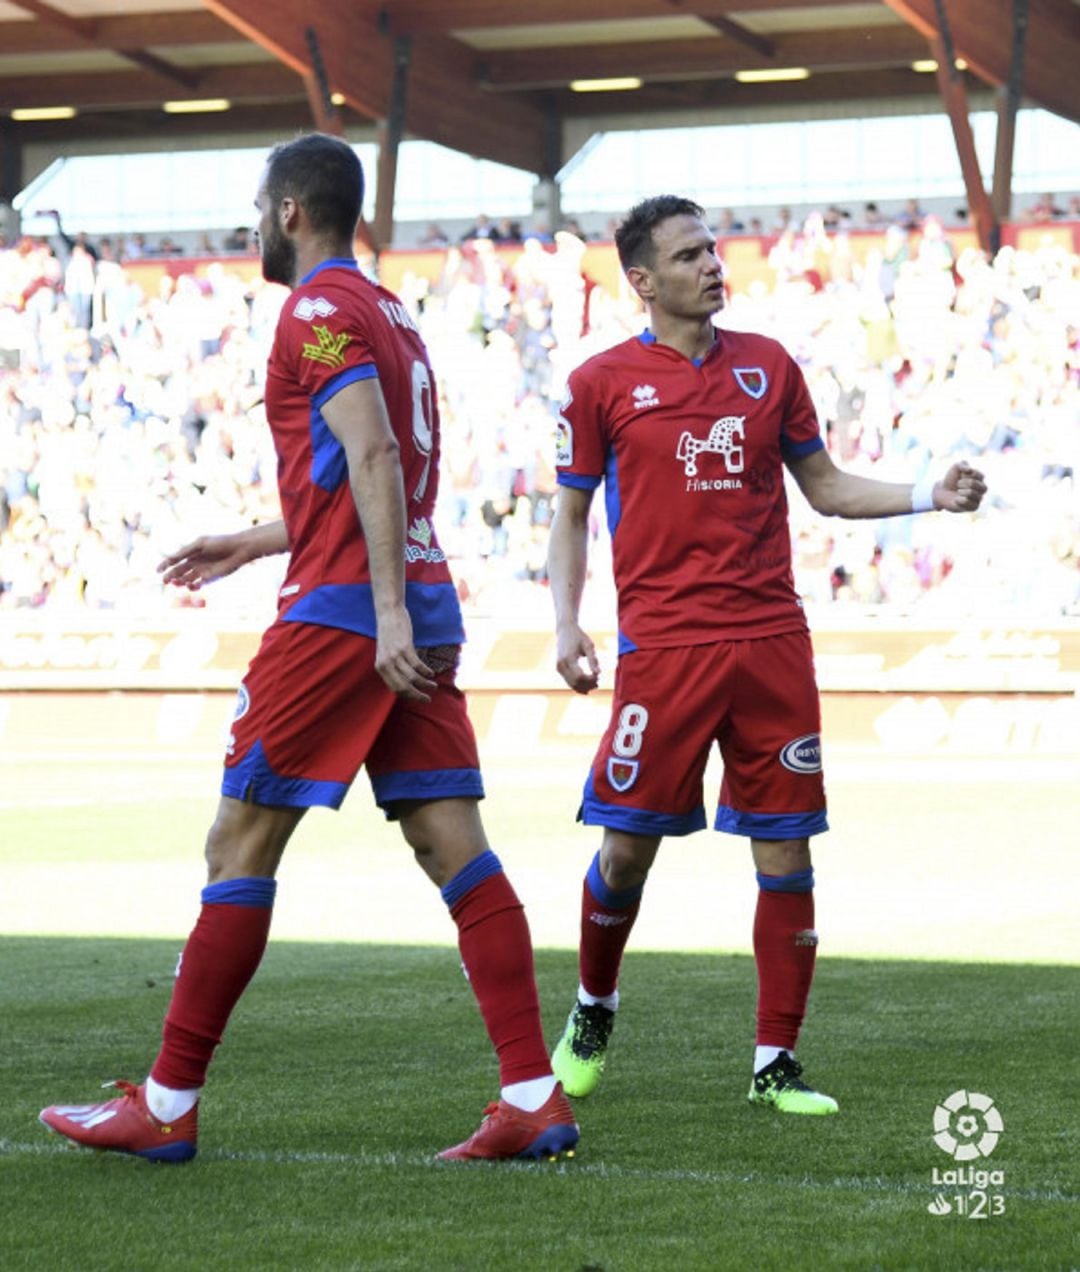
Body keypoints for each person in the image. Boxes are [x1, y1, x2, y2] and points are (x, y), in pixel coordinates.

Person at [38, 132, 578, 1165]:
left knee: (238, 844)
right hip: (416, 596)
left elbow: (372, 450)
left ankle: (166, 1102)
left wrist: (376, 616)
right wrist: (258, 537)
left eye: (257, 207)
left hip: (345, 620)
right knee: (450, 843)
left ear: (290, 211)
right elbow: (368, 471)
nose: (252, 225)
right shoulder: (395, 315)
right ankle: (532, 1093)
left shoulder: (317, 311)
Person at [546, 195, 986, 1116]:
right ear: (642, 280)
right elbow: (573, 515)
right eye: (688, 255)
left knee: (786, 859)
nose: (712, 265)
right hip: (662, 653)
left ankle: (775, 1063)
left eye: (713, 249)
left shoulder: (769, 366)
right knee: (625, 855)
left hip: (773, 646)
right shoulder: (600, 385)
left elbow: (823, 487)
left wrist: (928, 494)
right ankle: (593, 1008)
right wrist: (566, 624)